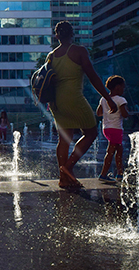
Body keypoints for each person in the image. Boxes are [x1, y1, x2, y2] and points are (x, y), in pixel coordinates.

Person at [48, 21, 117, 188]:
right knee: (91, 133)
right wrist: (108, 98)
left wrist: (51, 103)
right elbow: (93, 76)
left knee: (64, 139)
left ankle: (63, 179)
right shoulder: (79, 51)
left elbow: (49, 82)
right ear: (72, 34)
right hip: (73, 99)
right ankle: (68, 168)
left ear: (56, 36)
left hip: (56, 101)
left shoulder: (51, 56)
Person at [96, 75, 129, 183]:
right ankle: (103, 174)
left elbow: (98, 113)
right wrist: (127, 112)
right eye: (123, 87)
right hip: (116, 129)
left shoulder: (104, 99)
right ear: (117, 87)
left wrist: (107, 112)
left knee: (119, 150)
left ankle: (120, 173)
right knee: (111, 151)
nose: (123, 90)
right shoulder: (121, 100)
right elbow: (124, 115)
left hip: (106, 128)